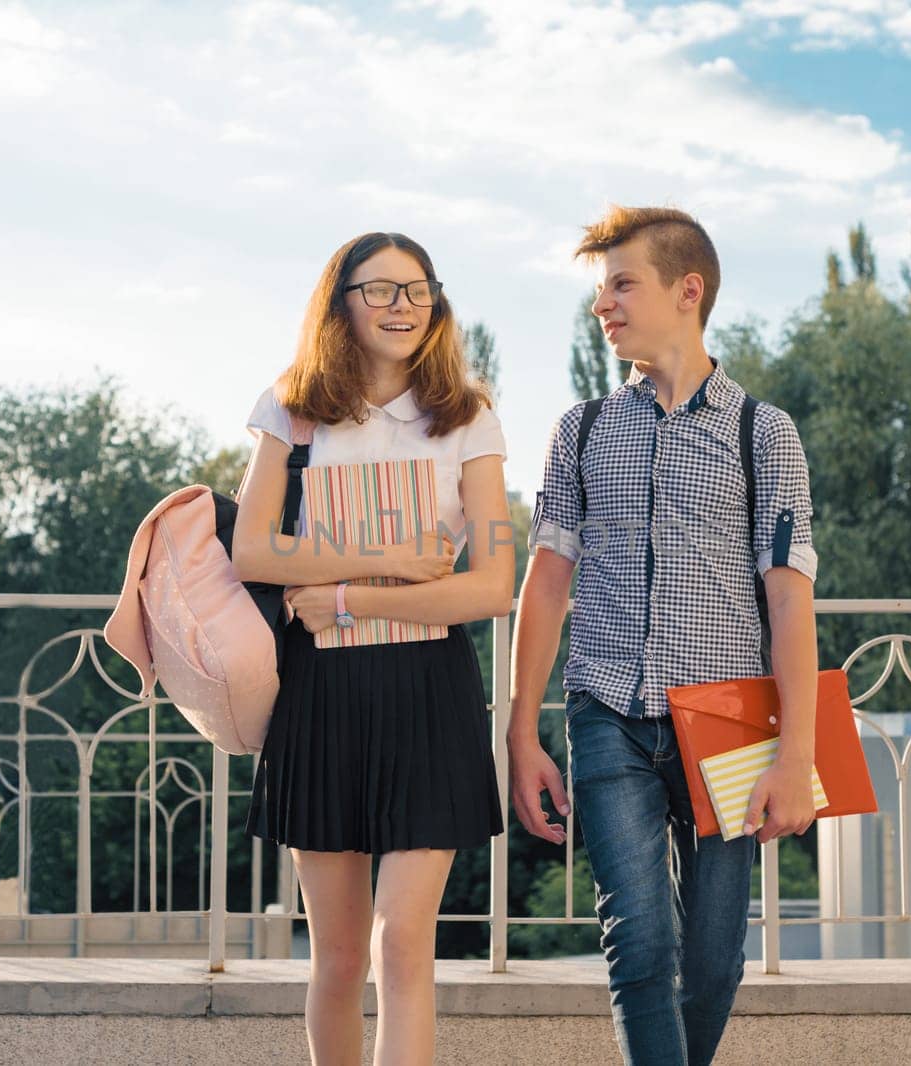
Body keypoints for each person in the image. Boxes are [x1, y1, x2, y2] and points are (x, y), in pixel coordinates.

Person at [507, 205, 821, 1065]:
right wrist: (520, 730)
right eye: (599, 290)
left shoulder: (765, 435)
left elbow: (791, 604)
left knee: (714, 963)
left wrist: (797, 758)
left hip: (727, 722)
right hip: (605, 712)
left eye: (621, 285)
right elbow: (546, 585)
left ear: (688, 291)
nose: (602, 305)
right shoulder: (581, 431)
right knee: (639, 949)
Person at [233, 231, 513, 1066]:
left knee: (402, 943)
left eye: (417, 290)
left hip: (430, 694)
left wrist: (343, 596)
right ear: (339, 301)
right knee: (339, 957)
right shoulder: (291, 407)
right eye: (381, 289)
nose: (402, 306)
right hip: (321, 696)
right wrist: (387, 560)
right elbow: (252, 550)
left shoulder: (469, 417)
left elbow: (494, 584)